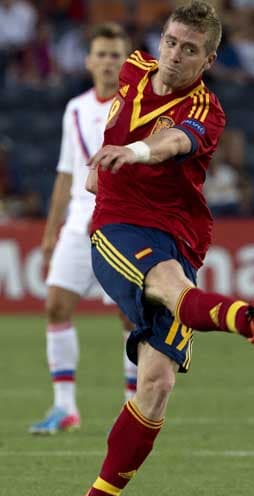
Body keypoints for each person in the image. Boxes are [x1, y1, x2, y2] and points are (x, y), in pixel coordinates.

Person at [71, 0, 254, 496]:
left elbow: (173, 143)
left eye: (189, 48)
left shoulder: (207, 110)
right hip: (120, 229)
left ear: (209, 58)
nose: (174, 55)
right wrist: (105, 161)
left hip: (177, 237)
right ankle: (250, 320)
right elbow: (114, 117)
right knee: (174, 291)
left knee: (156, 385)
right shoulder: (134, 69)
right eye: (170, 41)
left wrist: (135, 151)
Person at [28, 23, 135, 436]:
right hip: (77, 223)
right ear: (89, 61)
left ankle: (133, 411)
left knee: (130, 317)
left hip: (120, 223)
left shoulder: (134, 108)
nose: (109, 62)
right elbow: (65, 173)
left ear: (127, 62)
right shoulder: (74, 108)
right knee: (56, 305)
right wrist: (51, 232)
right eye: (102, 54)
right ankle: (64, 408)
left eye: (116, 55)